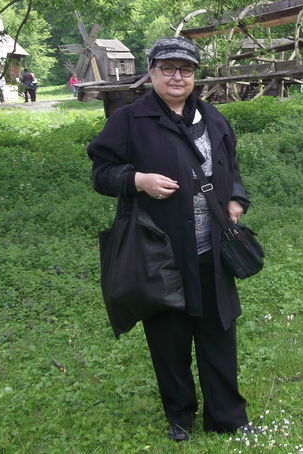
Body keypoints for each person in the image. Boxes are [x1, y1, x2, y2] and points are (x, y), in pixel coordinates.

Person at [87, 37, 253, 442]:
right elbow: (101, 173)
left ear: (195, 76)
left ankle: (227, 416)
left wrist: (235, 198)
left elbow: (231, 168)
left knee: (218, 334)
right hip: (160, 251)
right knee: (168, 339)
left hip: (211, 249)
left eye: (187, 70)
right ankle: (179, 416)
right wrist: (137, 180)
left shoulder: (213, 118)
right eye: (168, 69)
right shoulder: (130, 120)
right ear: (152, 72)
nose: (178, 77)